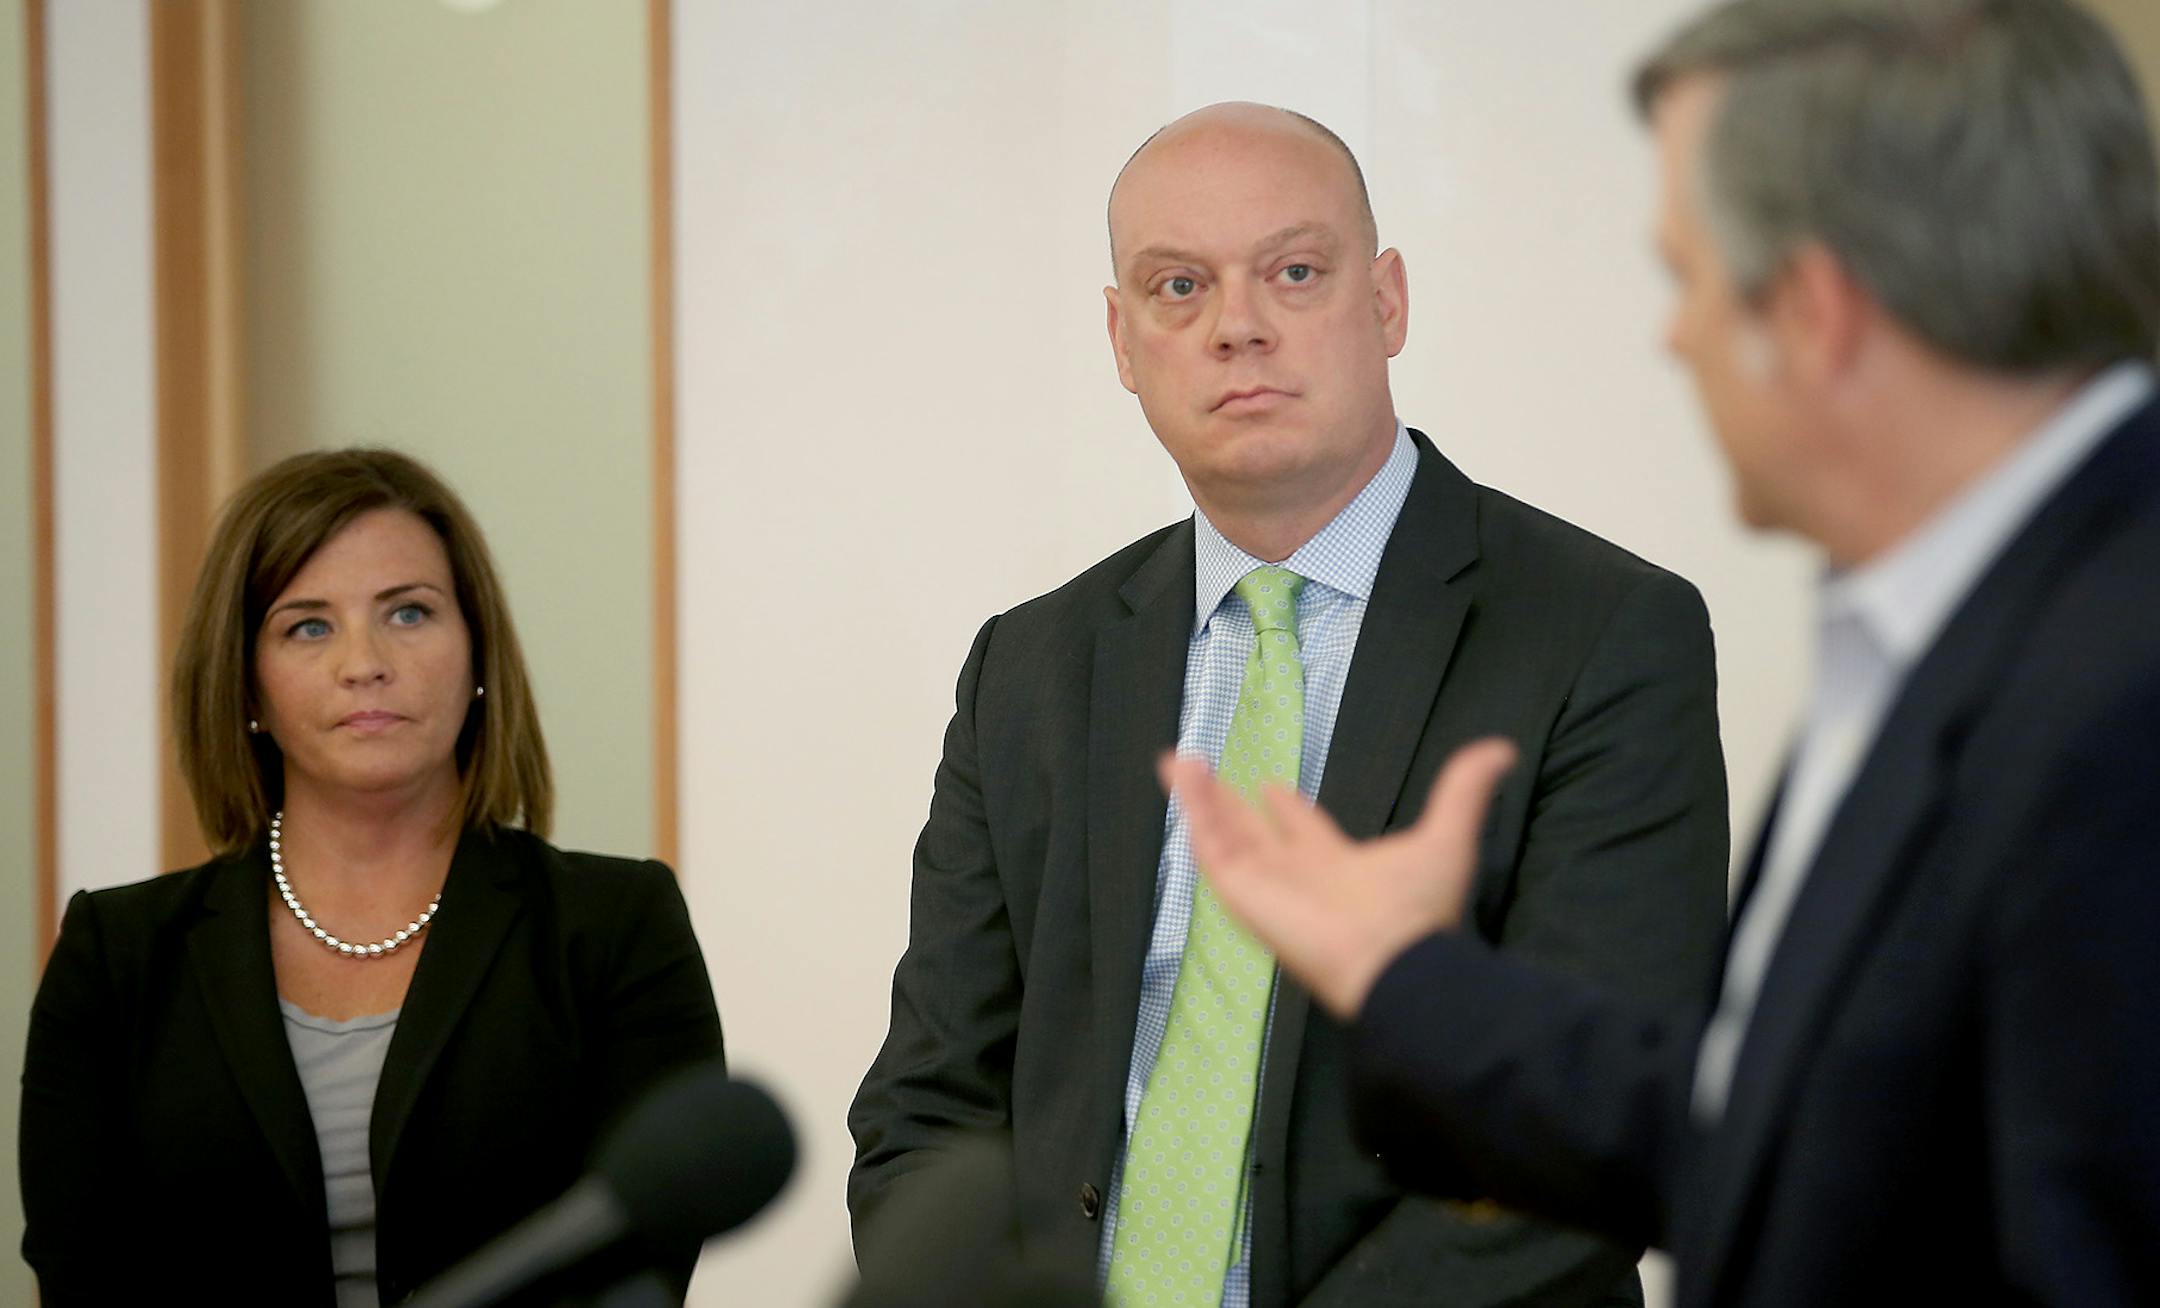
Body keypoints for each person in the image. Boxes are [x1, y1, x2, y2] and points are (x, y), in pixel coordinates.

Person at [1166, 2, 2160, 1305]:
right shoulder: (1963, 626)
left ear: (1812, 311)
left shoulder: (2119, 689)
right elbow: (1789, 1147)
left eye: (1685, 277)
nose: (1672, 337)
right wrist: (1410, 982)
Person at [848, 102, 1731, 1307]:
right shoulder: (1031, 665)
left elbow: (1587, 1129)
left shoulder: (1603, 633)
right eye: (1178, 287)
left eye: (1294, 272)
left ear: (1388, 302)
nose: (1237, 327)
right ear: (1121, 340)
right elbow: (927, 1108)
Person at [19, 448, 725, 1306]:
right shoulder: (117, 956)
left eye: (409, 613)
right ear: (247, 686)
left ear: (478, 657)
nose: (364, 662)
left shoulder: (616, 926)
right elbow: (83, 1276)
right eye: (308, 627)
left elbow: (642, 1260)